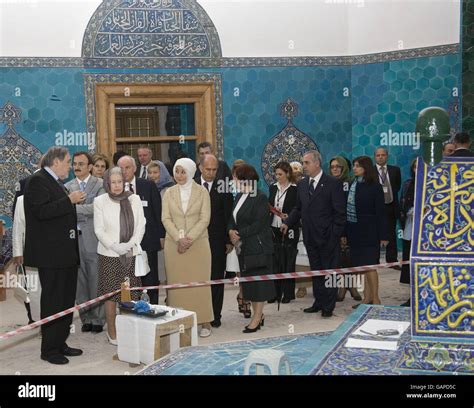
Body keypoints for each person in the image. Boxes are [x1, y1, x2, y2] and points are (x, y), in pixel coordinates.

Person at [23, 147, 84, 365]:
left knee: (66, 300)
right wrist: (69, 200)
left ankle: (60, 342)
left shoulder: (55, 182)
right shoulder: (37, 181)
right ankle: (49, 349)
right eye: (68, 162)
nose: (71, 166)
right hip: (50, 255)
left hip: (65, 253)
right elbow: (42, 211)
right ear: (56, 161)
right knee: (53, 301)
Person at [282, 151, 346, 318]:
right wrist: (287, 222)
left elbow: (340, 213)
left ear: (317, 163)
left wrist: (334, 235)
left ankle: (328, 306)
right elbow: (299, 208)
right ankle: (318, 302)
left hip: (328, 238)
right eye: (303, 163)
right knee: (316, 272)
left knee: (328, 273)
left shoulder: (333, 183)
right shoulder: (302, 185)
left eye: (306, 163)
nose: (303, 166)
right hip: (310, 238)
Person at [162, 158, 213, 337]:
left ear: (191, 172)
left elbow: (204, 218)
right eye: (177, 171)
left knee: (200, 284)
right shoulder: (169, 193)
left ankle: (205, 321)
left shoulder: (202, 192)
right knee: (177, 286)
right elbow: (165, 218)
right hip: (174, 245)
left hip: (198, 244)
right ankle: (180, 322)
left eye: (183, 172)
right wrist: (179, 238)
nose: (179, 175)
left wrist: (188, 239)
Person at [94, 167, 146, 345]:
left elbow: (141, 225)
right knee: (110, 296)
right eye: (112, 182)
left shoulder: (134, 198)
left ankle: (129, 330)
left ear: (124, 181)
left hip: (131, 253)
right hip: (108, 255)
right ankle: (112, 331)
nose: (116, 186)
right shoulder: (100, 201)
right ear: (107, 183)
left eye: (119, 182)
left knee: (128, 295)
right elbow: (99, 230)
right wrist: (115, 246)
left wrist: (130, 245)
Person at [228, 164, 276, 332]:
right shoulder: (239, 195)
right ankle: (258, 314)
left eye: (235, 177)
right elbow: (233, 216)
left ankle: (257, 318)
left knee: (258, 285)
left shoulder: (259, 197)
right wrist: (231, 231)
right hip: (243, 247)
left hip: (258, 247)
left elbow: (259, 224)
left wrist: (238, 233)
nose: (232, 180)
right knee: (249, 284)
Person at [65, 151, 106, 333]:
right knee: (79, 283)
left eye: (81, 163)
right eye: (74, 163)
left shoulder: (99, 184)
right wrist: (76, 208)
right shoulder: (68, 186)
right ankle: (86, 318)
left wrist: (74, 208)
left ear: (90, 166)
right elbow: (66, 209)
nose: (77, 167)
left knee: (95, 280)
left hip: (93, 239)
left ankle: (98, 319)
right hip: (74, 240)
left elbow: (97, 208)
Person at [118, 155, 165, 305]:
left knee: (150, 277)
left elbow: (158, 211)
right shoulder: (114, 188)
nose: (124, 171)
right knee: (127, 279)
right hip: (123, 243)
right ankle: (128, 309)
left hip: (148, 240)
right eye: (121, 168)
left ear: (135, 168)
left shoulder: (148, 185)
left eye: (128, 167)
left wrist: (161, 236)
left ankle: (153, 307)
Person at [196, 154, 234, 327]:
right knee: (197, 278)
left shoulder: (223, 186)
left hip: (218, 241)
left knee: (216, 278)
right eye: (208, 169)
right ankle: (198, 314)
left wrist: (228, 240)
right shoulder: (191, 184)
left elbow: (228, 214)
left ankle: (215, 315)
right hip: (195, 241)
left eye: (214, 170)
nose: (211, 173)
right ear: (200, 168)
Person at [347, 156, 388, 308]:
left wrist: (383, 235)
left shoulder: (374, 186)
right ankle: (367, 298)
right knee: (363, 266)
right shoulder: (353, 184)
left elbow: (381, 213)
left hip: (370, 231)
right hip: (355, 231)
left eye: (357, 166)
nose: (355, 168)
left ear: (366, 168)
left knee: (370, 265)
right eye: (354, 165)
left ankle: (376, 299)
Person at [329, 156, 362, 302]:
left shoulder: (350, 182)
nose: (335, 169)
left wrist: (344, 230)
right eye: (332, 166)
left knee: (349, 258)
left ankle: (351, 286)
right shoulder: (328, 183)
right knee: (338, 259)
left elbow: (349, 206)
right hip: (332, 226)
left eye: (338, 166)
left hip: (349, 225)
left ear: (344, 167)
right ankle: (342, 286)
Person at [268, 161, 299, 304]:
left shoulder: (295, 189)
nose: (277, 177)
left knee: (288, 260)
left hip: (290, 227)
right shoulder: (273, 188)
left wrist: (288, 218)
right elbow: (269, 205)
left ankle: (288, 293)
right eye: (276, 174)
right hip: (274, 226)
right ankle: (275, 292)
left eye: (280, 174)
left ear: (287, 174)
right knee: (275, 261)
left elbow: (298, 208)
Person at [226, 159, 251, 318]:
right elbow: (228, 213)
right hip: (234, 236)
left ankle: (245, 296)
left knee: (247, 270)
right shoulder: (227, 188)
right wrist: (230, 233)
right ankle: (242, 294)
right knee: (240, 271)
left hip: (249, 236)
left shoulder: (252, 190)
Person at [12, 194, 42, 323]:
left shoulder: (56, 195)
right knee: (34, 289)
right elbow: (18, 226)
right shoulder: (22, 200)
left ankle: (53, 322)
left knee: (53, 289)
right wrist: (17, 251)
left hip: (54, 251)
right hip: (30, 251)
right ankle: (38, 320)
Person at [374, 147, 401, 266]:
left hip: (391, 206)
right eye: (378, 155)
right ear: (375, 157)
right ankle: (374, 260)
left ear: (387, 156)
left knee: (391, 234)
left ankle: (392, 261)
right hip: (375, 208)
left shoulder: (395, 170)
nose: (380, 157)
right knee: (374, 234)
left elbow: (397, 186)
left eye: (383, 155)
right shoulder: (370, 171)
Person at [290, 161, 311, 299]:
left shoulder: (308, 186)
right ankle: (301, 287)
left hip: (309, 228)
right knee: (299, 260)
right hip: (295, 228)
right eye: (294, 175)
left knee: (310, 258)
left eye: (299, 175)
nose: (297, 178)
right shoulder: (290, 188)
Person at [399, 158, 417, 307]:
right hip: (410, 228)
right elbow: (402, 203)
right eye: (415, 167)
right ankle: (412, 296)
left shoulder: (432, 183)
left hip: (425, 232)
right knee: (409, 262)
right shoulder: (407, 184)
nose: (417, 170)